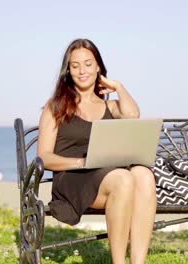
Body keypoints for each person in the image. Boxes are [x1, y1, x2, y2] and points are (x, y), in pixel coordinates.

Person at [37, 38, 157, 264]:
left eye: (88, 64)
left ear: (98, 67)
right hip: (73, 177)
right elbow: (44, 156)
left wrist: (118, 87)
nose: (82, 70)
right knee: (123, 177)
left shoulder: (109, 106)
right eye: (75, 65)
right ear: (68, 70)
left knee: (144, 175)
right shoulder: (56, 106)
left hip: (107, 176)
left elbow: (133, 116)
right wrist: (82, 162)